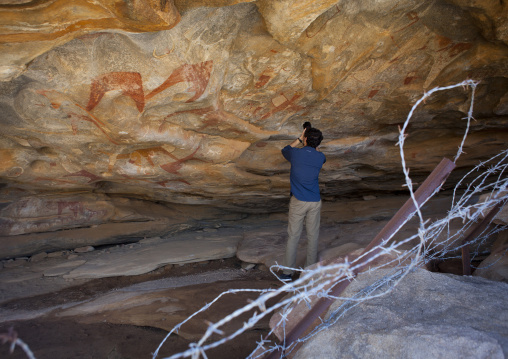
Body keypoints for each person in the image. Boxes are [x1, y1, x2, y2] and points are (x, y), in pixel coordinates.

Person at [280, 124, 326, 281]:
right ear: (318, 143)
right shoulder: (320, 157)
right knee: (313, 235)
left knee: (293, 235)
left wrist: (300, 138)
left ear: (305, 139)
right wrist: (312, 143)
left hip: (299, 201)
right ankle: (309, 272)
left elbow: (285, 149)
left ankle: (287, 273)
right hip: (315, 201)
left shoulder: (296, 154)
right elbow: (317, 152)